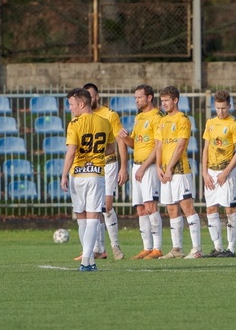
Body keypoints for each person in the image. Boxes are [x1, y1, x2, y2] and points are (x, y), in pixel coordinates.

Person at [61, 87, 116, 271]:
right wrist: (96, 153)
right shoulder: (104, 122)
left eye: (71, 104)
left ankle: (87, 259)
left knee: (82, 217)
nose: (70, 108)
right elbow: (111, 149)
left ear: (81, 104)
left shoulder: (74, 124)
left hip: (78, 174)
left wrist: (63, 175)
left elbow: (71, 152)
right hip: (96, 174)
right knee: (93, 217)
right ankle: (88, 259)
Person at [145, 85, 202, 259]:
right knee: (171, 209)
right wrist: (159, 166)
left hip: (179, 170)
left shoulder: (182, 119)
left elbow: (180, 145)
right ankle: (177, 249)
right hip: (165, 172)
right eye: (162, 101)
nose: (164, 104)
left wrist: (169, 167)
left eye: (166, 101)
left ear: (175, 100)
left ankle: (197, 249)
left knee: (187, 207)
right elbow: (159, 145)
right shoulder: (162, 121)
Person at [74, 83, 128, 261]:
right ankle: (97, 249)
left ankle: (115, 245)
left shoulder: (109, 115)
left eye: (92, 95)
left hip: (108, 164)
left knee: (106, 206)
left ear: (97, 97)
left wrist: (123, 166)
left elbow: (119, 141)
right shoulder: (80, 118)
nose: (90, 98)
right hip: (89, 168)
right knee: (93, 208)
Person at [201, 90, 236, 257]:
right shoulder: (210, 123)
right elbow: (205, 148)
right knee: (211, 209)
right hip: (211, 171)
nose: (221, 112)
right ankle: (218, 247)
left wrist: (226, 172)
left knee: (230, 210)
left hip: (227, 172)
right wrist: (204, 173)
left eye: (224, 108)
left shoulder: (234, 125)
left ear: (230, 106)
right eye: (218, 108)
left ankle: (231, 249)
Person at [128, 85, 164, 259]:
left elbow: (158, 145)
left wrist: (143, 167)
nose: (137, 100)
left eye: (139, 97)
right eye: (135, 98)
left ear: (149, 97)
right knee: (141, 209)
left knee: (151, 206)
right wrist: (121, 135)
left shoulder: (157, 117)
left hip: (148, 168)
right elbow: (134, 143)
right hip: (136, 166)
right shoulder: (139, 117)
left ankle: (157, 248)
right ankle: (147, 247)